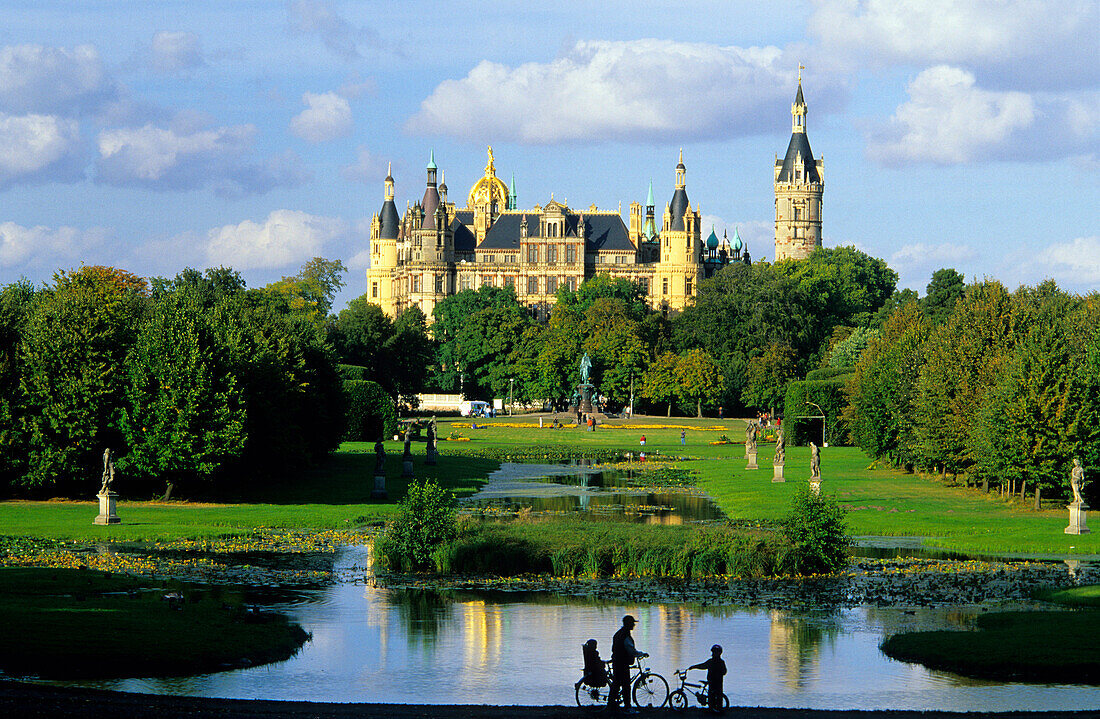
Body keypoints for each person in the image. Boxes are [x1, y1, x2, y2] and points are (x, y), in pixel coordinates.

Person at [610, 615, 647, 713]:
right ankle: (627, 707)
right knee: (626, 685)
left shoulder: (618, 634)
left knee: (616, 684)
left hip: (617, 662)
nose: (634, 625)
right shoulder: (625, 636)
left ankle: (611, 705)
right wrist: (641, 654)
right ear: (628, 624)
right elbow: (631, 650)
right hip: (622, 663)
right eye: (632, 623)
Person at [688, 644, 727, 714]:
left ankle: (714, 708)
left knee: (714, 695)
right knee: (716, 695)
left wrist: (693, 667)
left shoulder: (712, 662)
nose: (713, 654)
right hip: (717, 682)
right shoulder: (720, 662)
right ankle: (716, 708)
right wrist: (694, 667)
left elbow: (703, 666)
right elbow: (724, 672)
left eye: (714, 652)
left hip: (714, 681)